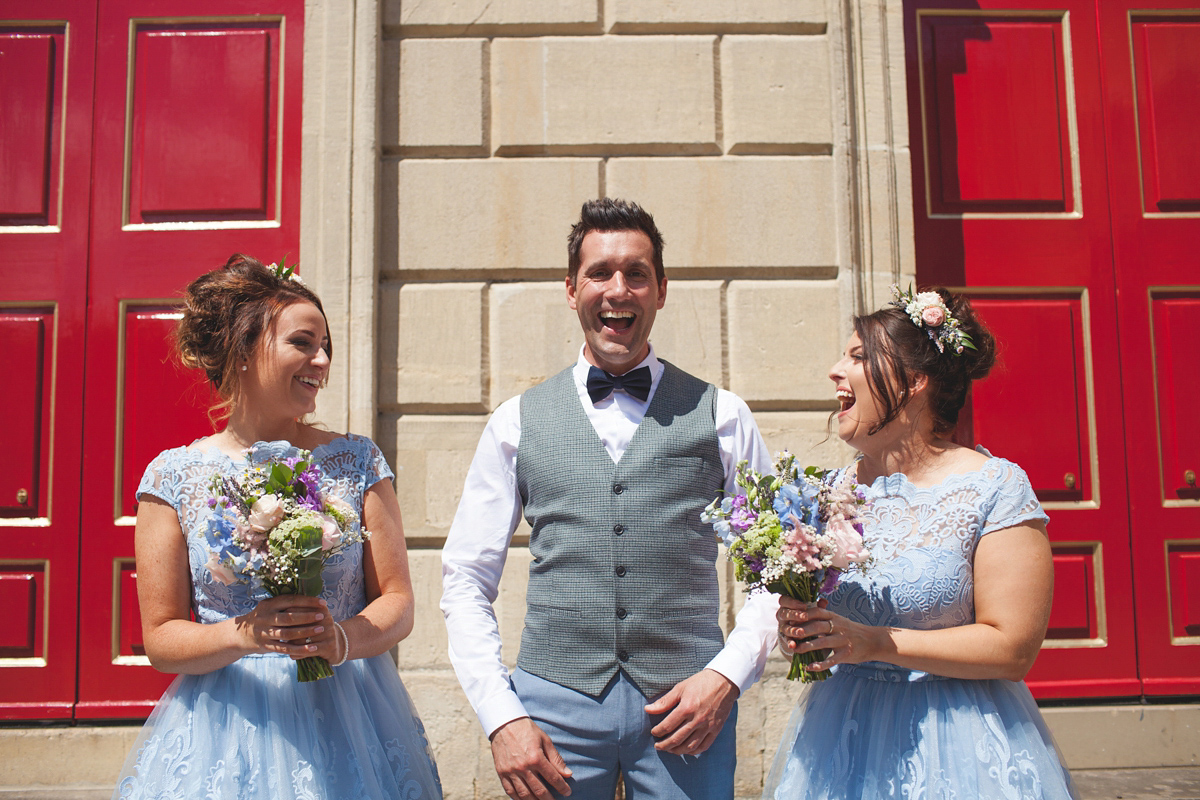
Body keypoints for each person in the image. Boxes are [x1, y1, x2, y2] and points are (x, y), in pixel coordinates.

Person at [441, 198, 778, 800]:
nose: (617, 289)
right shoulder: (515, 421)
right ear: (572, 289)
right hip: (551, 711)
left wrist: (726, 677)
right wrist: (502, 716)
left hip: (688, 708)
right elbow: (465, 578)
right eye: (600, 272)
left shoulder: (725, 415)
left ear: (661, 290)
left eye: (637, 274)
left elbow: (775, 571)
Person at [111, 255, 442, 800]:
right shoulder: (172, 477)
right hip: (225, 727)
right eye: (304, 343)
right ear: (244, 351)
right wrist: (244, 634)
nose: (322, 360)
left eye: (325, 345)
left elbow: (398, 600)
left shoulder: (356, 461)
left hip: (351, 718)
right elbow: (162, 638)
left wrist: (339, 637)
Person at [767, 287, 1078, 799]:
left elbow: (1012, 647)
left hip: (959, 741)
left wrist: (876, 643)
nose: (834, 370)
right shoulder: (828, 494)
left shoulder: (994, 487)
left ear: (914, 382)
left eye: (858, 356)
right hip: (840, 740)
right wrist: (805, 632)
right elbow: (828, 625)